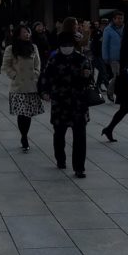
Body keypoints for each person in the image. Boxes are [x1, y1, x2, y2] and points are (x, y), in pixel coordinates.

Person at [39, 31, 93, 178]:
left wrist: (87, 77)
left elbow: (90, 79)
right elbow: (46, 77)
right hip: (60, 101)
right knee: (59, 133)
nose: (67, 47)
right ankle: (60, 158)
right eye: (64, 45)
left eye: (69, 44)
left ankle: (79, 167)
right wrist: (44, 91)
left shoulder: (82, 59)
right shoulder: (54, 59)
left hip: (78, 101)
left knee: (80, 135)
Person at [2, 24, 44, 151]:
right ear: (18, 34)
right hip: (19, 85)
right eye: (25, 32)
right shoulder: (11, 48)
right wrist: (14, 75)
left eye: (28, 32)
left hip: (31, 84)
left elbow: (38, 64)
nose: (27, 34)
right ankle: (24, 136)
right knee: (22, 113)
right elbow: (6, 66)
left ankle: (25, 134)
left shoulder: (33, 47)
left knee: (28, 113)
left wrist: (36, 74)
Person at [102, 11, 124, 102]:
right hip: (113, 57)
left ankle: (121, 94)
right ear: (114, 19)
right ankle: (110, 92)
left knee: (123, 76)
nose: (120, 20)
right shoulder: (108, 29)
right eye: (118, 18)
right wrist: (105, 57)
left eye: (121, 18)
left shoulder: (125, 28)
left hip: (124, 56)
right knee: (117, 76)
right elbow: (105, 44)